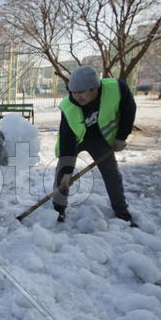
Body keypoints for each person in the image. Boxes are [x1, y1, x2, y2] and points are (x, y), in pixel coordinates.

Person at [53, 65, 137, 226]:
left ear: (94, 88)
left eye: (82, 92)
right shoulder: (68, 107)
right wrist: (67, 171)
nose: (77, 97)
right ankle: (58, 208)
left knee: (111, 174)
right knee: (61, 174)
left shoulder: (116, 89)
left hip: (100, 140)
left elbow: (129, 109)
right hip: (76, 140)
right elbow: (66, 139)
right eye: (74, 92)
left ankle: (121, 211)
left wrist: (121, 137)